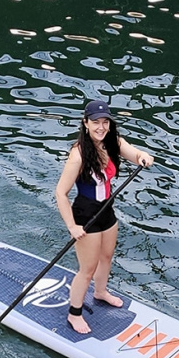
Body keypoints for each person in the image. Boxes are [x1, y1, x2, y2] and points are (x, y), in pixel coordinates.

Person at [55, 100, 154, 334]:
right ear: (85, 123)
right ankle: (74, 313)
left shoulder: (113, 142)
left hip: (107, 209)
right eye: (96, 122)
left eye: (105, 122)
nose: (101, 127)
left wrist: (144, 156)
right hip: (85, 214)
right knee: (87, 269)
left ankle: (100, 293)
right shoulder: (78, 154)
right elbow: (61, 192)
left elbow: (136, 153)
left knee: (106, 257)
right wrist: (72, 226)